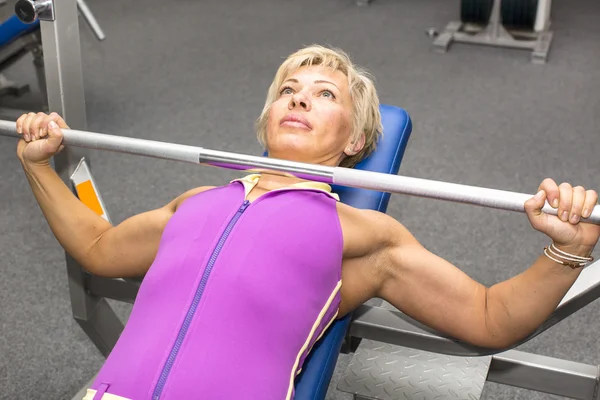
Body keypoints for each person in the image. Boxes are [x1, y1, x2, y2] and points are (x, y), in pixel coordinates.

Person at [15, 45, 599, 400]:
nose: (298, 99)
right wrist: (38, 165)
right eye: (288, 90)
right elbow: (96, 246)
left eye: (324, 94)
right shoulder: (193, 202)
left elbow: (489, 317)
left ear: (356, 139)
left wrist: (565, 254)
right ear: (266, 118)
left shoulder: (359, 236)